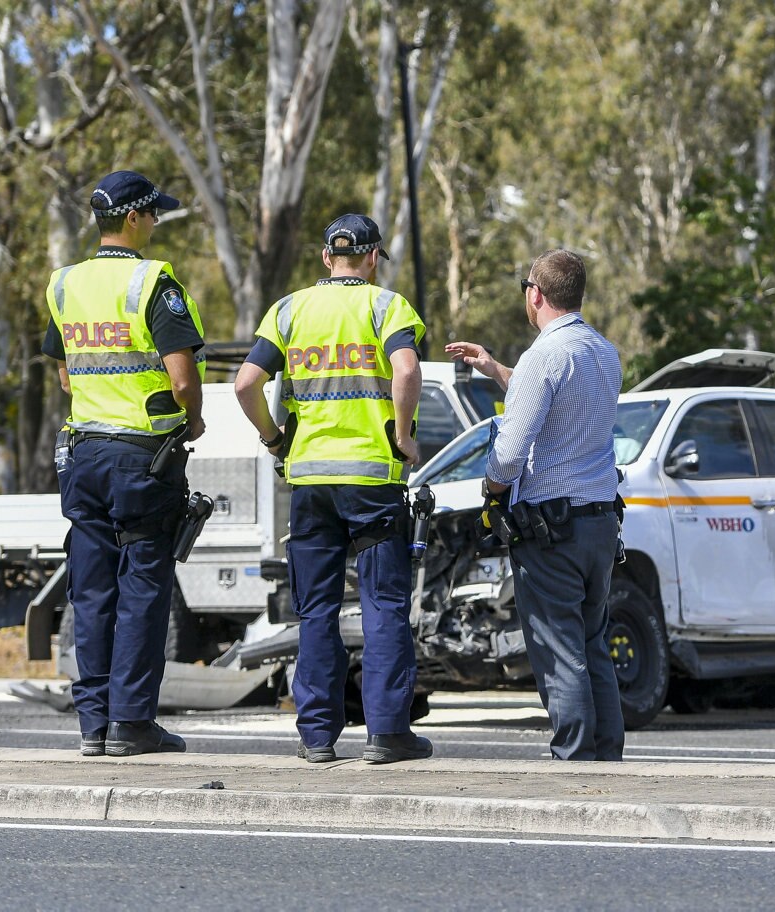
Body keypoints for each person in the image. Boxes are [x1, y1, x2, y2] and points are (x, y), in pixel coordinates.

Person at [234, 213, 432, 765]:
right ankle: (387, 734)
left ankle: (318, 737)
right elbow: (408, 370)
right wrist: (403, 434)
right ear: (371, 259)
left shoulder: (289, 310)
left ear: (327, 258)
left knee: (316, 610)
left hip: (311, 481)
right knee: (383, 605)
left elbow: (246, 383)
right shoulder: (385, 306)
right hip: (372, 479)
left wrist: (275, 440)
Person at [43, 170, 205, 757]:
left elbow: (62, 369)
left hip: (83, 452)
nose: (157, 222)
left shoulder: (64, 284)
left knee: (90, 591)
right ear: (134, 218)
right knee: (142, 589)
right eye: (154, 213)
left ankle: (92, 726)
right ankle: (132, 724)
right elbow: (183, 376)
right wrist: (194, 418)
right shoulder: (153, 282)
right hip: (143, 456)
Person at [445, 249, 625, 761]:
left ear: (535, 293)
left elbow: (511, 447)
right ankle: (607, 755)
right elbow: (560, 404)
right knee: (593, 643)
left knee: (558, 649)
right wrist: (495, 368)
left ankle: (572, 756)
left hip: (552, 529)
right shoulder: (602, 351)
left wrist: (492, 492)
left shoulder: (542, 357)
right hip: (598, 522)